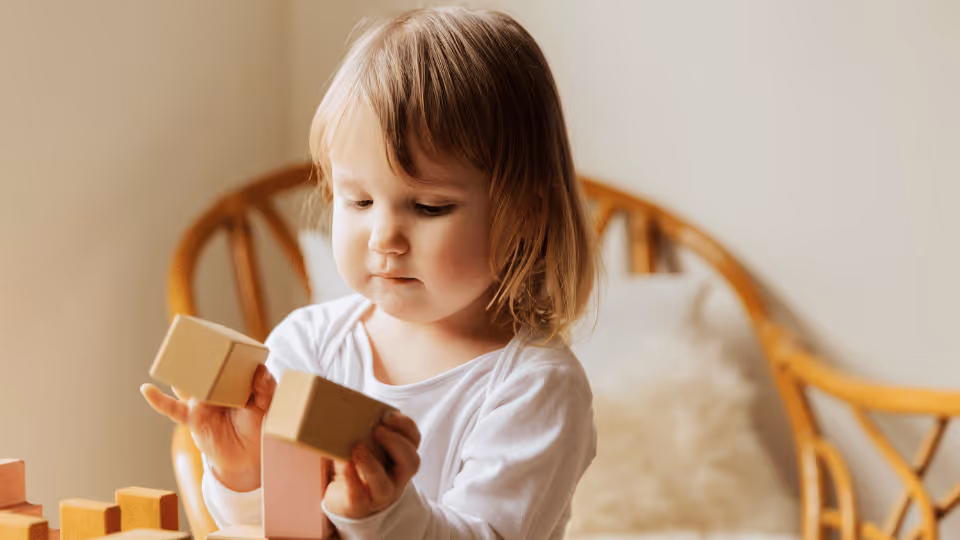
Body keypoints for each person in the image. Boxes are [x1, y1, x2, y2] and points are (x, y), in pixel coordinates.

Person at [142, 6, 600, 539]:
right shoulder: (308, 344)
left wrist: (382, 516)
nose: (384, 237)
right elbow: (276, 530)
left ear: (524, 211)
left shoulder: (535, 388)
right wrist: (243, 472)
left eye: (429, 207)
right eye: (357, 200)